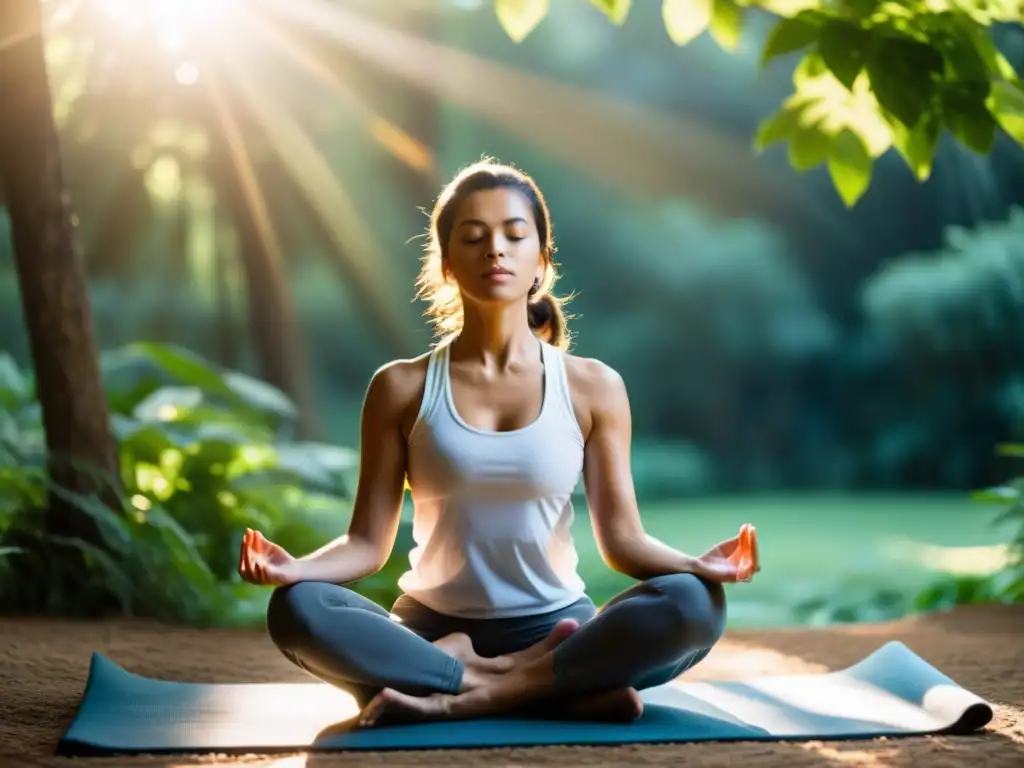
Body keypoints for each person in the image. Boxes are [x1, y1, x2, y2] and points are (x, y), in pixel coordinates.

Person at [237, 159, 760, 726]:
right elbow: (367, 543)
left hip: (557, 628)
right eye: (473, 237)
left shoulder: (593, 387)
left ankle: (456, 690)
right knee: (298, 610)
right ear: (446, 262)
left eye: (515, 235)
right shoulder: (400, 387)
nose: (496, 251)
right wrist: (297, 571)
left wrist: (695, 565)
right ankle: (551, 688)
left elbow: (623, 541)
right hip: (430, 628)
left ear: (541, 259)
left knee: (694, 602)